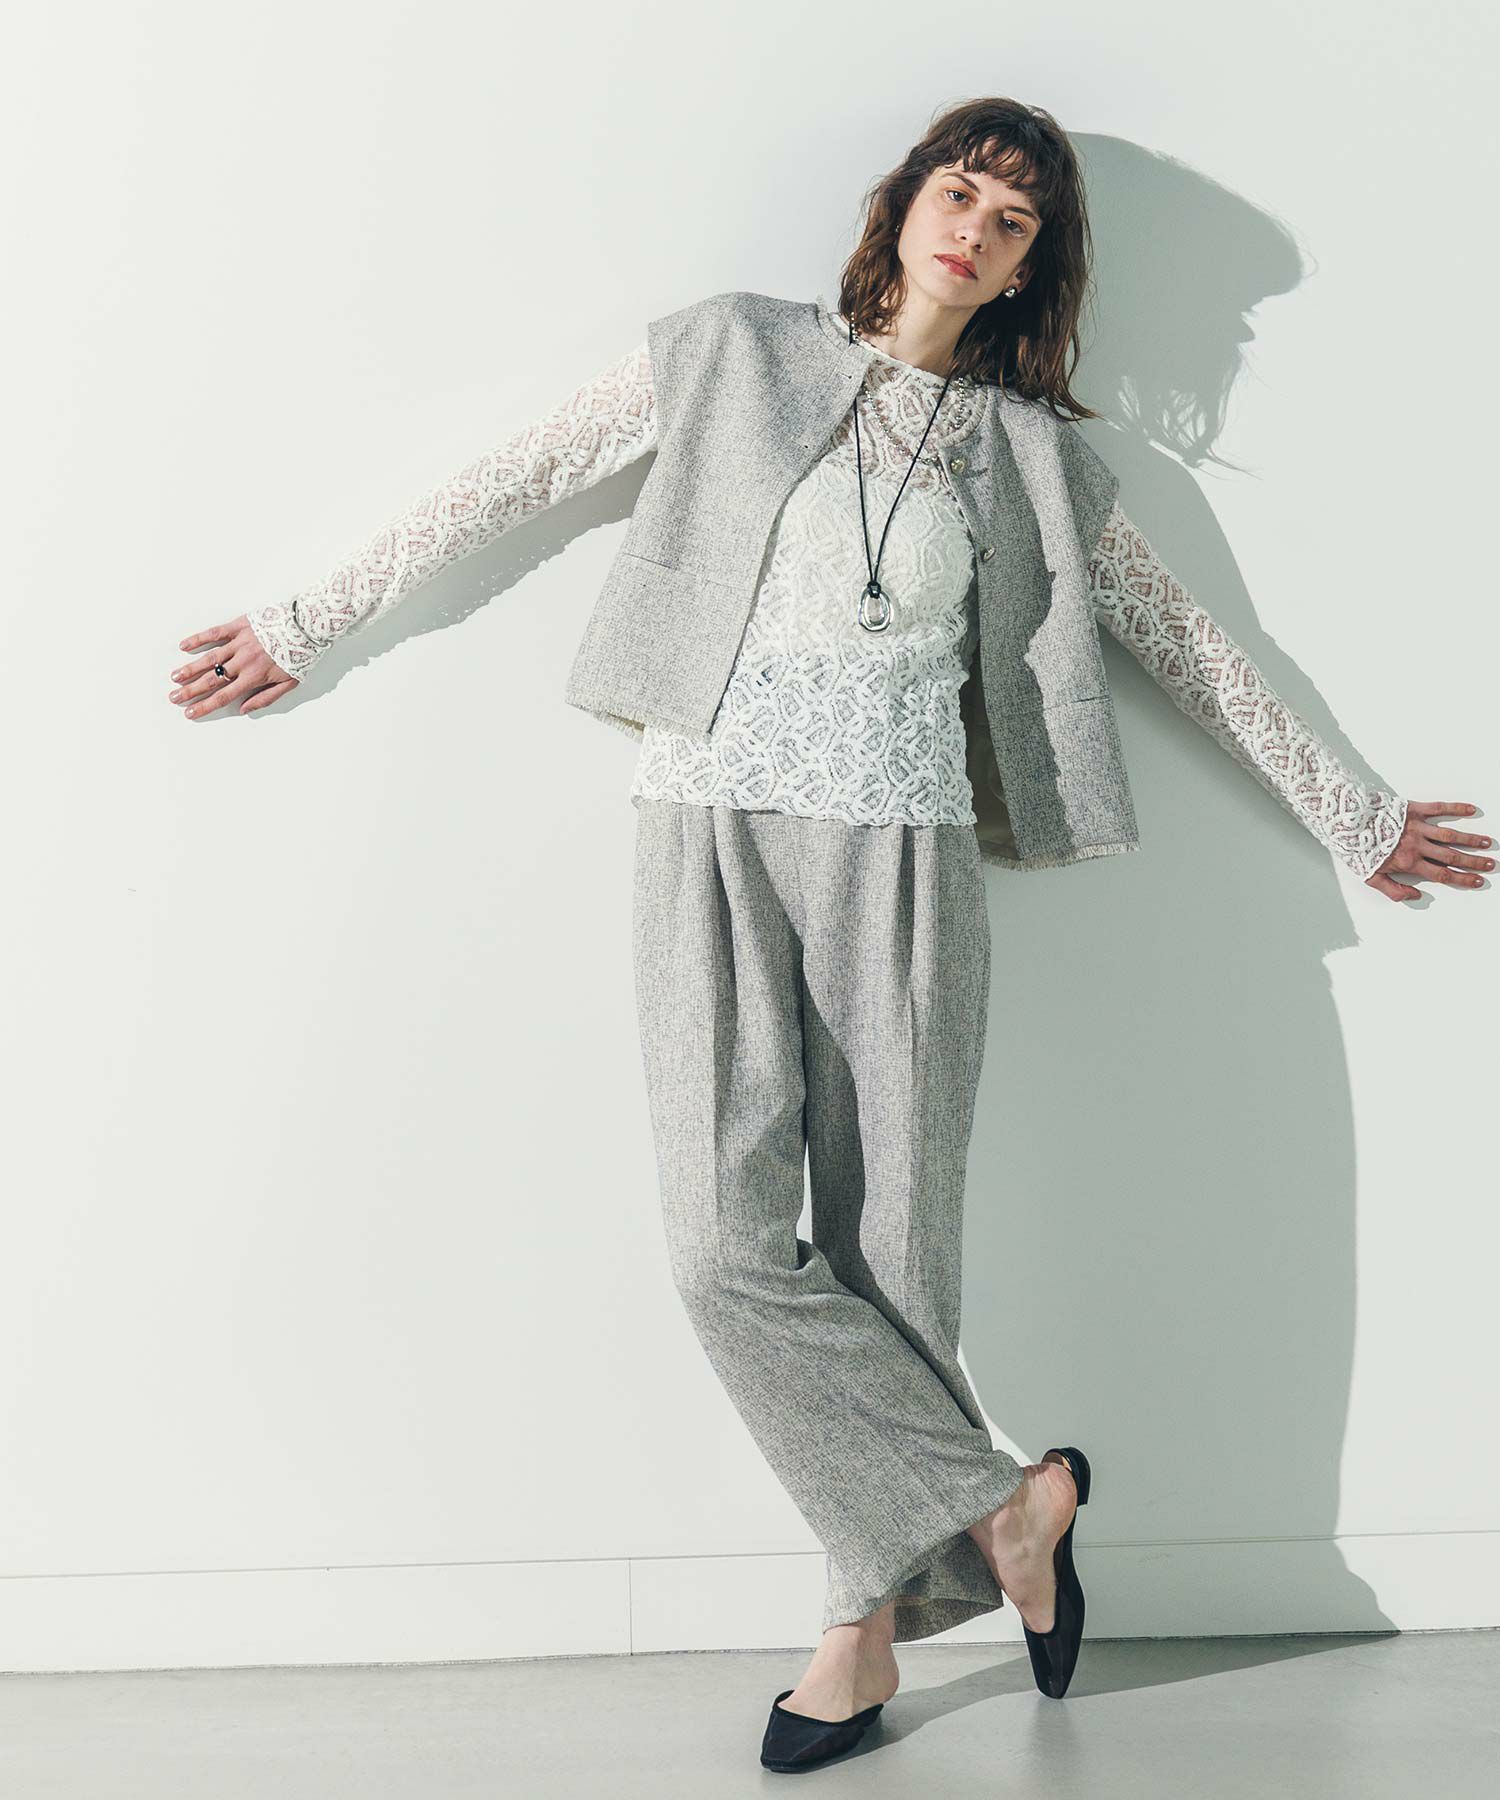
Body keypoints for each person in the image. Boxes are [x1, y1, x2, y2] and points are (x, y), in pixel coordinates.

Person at [167, 98, 1488, 1775]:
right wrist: (304, 622)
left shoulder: (1024, 452)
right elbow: (514, 478)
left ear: (1032, 270)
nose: (976, 229)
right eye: (962, 191)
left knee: (892, 1261)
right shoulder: (731, 350)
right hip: (706, 817)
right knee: (723, 1251)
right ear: (906, 198)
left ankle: (854, 1642)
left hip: (905, 851)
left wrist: (1354, 813)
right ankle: (1012, 1507)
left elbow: (1187, 642)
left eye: (1015, 222)